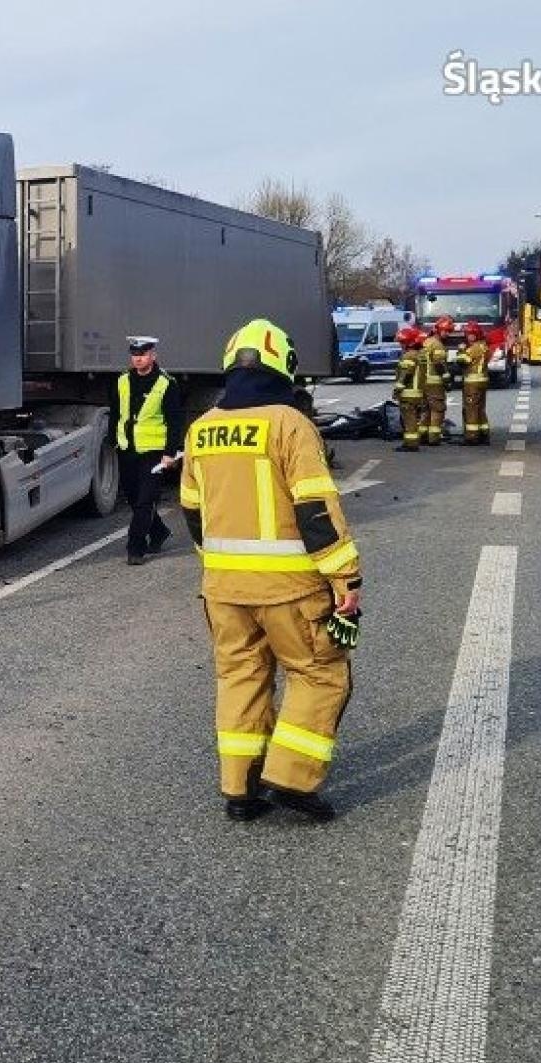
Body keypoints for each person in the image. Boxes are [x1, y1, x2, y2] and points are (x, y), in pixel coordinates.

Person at [180, 319, 362, 823]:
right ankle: (292, 779)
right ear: (284, 364)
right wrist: (345, 578)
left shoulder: (201, 429)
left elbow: (192, 511)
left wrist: (219, 568)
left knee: (240, 676)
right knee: (320, 674)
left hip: (223, 588)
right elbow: (315, 509)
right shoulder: (289, 423)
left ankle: (240, 789)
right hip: (290, 588)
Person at [113, 335, 185, 565]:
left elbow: (174, 420)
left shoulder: (166, 383)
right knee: (134, 499)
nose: (138, 359)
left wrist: (170, 452)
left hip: (154, 452)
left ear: (153, 355)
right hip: (127, 449)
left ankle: (135, 547)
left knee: (145, 501)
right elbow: (116, 413)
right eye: (134, 354)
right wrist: (113, 441)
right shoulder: (122, 380)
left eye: (143, 354)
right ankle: (159, 531)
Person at [393, 325, 427, 451]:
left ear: (409, 343)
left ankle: (411, 444)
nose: (401, 345)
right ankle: (411, 442)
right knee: (414, 418)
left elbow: (405, 374)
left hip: (408, 393)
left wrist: (397, 390)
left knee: (409, 419)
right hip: (418, 392)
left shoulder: (408, 356)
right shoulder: (421, 355)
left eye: (402, 343)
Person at [421, 316, 454, 445]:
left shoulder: (426, 342)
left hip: (423, 382)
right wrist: (447, 380)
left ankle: (423, 436)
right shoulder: (437, 345)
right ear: (438, 330)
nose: (447, 334)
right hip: (434, 383)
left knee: (426, 410)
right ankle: (434, 438)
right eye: (446, 331)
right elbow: (439, 364)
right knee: (437, 409)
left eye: (448, 331)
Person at [458, 320, 492, 444]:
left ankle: (472, 437)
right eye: (467, 334)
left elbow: (462, 360)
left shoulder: (474, 348)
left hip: (472, 383)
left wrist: (461, 350)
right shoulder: (484, 346)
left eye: (470, 334)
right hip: (482, 381)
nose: (468, 337)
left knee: (471, 409)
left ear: (476, 335)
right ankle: (484, 434)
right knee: (480, 409)